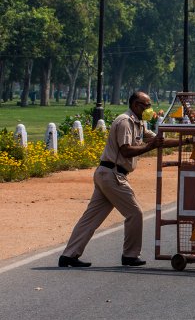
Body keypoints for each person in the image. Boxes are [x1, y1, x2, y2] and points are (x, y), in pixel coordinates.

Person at [58, 91, 181, 268]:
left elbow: (157, 140)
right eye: (145, 105)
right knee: (135, 213)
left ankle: (68, 255)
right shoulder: (124, 121)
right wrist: (149, 147)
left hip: (107, 173)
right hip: (113, 174)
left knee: (91, 218)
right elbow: (126, 150)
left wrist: (185, 141)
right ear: (134, 104)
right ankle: (130, 255)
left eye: (149, 105)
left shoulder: (138, 122)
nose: (148, 108)